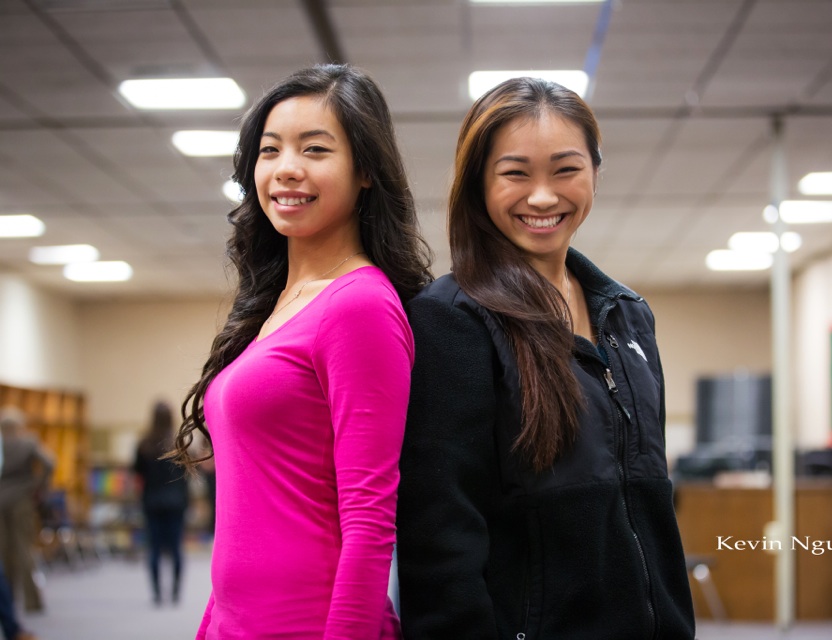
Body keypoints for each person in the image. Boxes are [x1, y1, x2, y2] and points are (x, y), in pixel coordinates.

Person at [396, 77, 696, 638]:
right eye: (515, 173)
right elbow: (438, 537)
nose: (542, 196)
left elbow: (649, 500)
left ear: (596, 174)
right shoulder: (451, 320)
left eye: (565, 170)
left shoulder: (628, 315)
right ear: (479, 185)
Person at [171, 63, 432, 639]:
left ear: (365, 169)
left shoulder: (359, 305)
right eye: (270, 150)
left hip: (314, 625)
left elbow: (369, 519)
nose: (287, 169)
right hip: (237, 623)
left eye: (315, 149)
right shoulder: (276, 304)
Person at [133, 400, 189, 605]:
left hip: (152, 502)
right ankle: (175, 592)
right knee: (175, 549)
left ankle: (157, 593)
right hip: (176, 503)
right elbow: (187, 475)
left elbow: (137, 473)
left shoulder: (144, 444)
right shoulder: (179, 443)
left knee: (154, 548)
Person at [0, 407, 53, 614]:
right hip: (22, 499)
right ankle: (32, 601)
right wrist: (38, 485)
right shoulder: (28, 442)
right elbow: (50, 462)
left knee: (4, 552)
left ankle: (7, 600)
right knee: (24, 549)